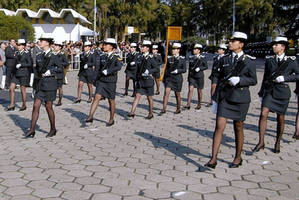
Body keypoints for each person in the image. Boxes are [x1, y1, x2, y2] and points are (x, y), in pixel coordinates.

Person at [205, 32, 257, 169]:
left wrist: (240, 80)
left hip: (240, 98)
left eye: (234, 41)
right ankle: (213, 159)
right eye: (230, 41)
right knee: (219, 126)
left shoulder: (249, 61)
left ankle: (238, 157)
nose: (230, 43)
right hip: (225, 97)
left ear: (241, 44)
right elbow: (217, 76)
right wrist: (215, 98)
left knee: (238, 127)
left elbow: (253, 80)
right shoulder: (224, 59)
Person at [253, 36, 299, 153]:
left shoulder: (291, 61)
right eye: (273, 44)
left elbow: (298, 75)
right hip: (270, 91)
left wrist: (285, 78)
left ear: (282, 47)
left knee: (280, 118)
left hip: (282, 93)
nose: (273, 46)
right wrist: (261, 92)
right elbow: (265, 77)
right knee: (263, 114)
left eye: (276, 45)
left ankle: (277, 142)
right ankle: (261, 141)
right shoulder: (269, 60)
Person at [24, 34, 62, 138]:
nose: (39, 42)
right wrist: (34, 84)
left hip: (50, 85)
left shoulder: (54, 56)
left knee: (48, 107)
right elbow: (36, 71)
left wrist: (51, 71)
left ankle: (53, 128)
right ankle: (32, 129)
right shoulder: (39, 56)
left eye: (41, 41)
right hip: (40, 85)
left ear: (47, 43)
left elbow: (60, 68)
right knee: (36, 106)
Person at [85, 38, 123, 126]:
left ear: (112, 47)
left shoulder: (116, 57)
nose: (104, 46)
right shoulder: (102, 56)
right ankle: (90, 116)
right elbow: (97, 69)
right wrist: (95, 79)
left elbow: (119, 66)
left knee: (111, 100)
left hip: (110, 81)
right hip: (102, 81)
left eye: (106, 45)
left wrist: (109, 71)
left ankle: (111, 118)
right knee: (97, 97)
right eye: (104, 44)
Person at [128, 40, 158, 119]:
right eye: (141, 46)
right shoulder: (139, 57)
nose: (142, 48)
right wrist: (136, 79)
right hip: (140, 80)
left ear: (148, 48)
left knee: (149, 98)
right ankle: (132, 112)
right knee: (137, 96)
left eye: (144, 47)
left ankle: (151, 113)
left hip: (148, 80)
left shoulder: (151, 58)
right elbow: (137, 69)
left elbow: (156, 68)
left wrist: (149, 71)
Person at [159, 42, 186, 115]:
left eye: (175, 49)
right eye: (172, 49)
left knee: (177, 94)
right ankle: (164, 109)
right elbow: (166, 69)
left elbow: (184, 69)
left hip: (177, 79)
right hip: (169, 78)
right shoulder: (169, 58)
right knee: (166, 92)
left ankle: (178, 108)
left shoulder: (182, 59)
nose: (173, 50)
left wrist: (178, 71)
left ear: (178, 50)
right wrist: (164, 79)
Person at [5, 39, 32, 111]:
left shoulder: (27, 53)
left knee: (22, 89)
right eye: (18, 45)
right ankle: (12, 104)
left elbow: (29, 64)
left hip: (23, 72)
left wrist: (21, 65)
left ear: (23, 46)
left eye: (20, 45)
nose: (18, 46)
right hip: (16, 73)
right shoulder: (16, 53)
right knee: (11, 88)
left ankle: (24, 104)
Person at [184, 44, 208, 110]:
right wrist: (188, 77)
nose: (194, 50)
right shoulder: (191, 57)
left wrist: (200, 68)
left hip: (199, 76)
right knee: (190, 89)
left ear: (199, 50)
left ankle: (199, 104)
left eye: (195, 49)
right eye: (193, 49)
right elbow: (190, 68)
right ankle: (188, 104)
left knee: (199, 90)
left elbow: (206, 66)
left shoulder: (203, 57)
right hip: (192, 76)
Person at [53, 41, 69, 106]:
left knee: (59, 87)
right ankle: (52, 99)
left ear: (60, 47)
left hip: (59, 72)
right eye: (55, 46)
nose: (55, 47)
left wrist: (60, 64)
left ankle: (60, 100)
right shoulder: (53, 53)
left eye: (57, 46)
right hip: (53, 72)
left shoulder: (62, 54)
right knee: (53, 87)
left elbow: (66, 63)